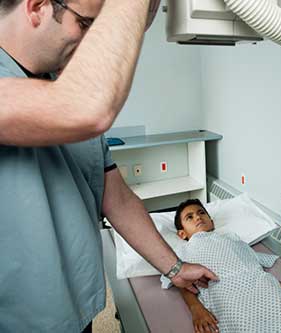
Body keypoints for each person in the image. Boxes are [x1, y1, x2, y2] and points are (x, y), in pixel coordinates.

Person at [0, 1, 217, 332]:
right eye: (86, 24)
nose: (92, 41)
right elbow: (88, 108)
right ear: (38, 7)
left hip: (74, 310)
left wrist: (174, 268)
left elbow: (117, 199)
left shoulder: (58, 82)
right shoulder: (68, 100)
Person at [164, 199, 281, 333]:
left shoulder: (232, 238)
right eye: (189, 217)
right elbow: (181, 280)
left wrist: (274, 282)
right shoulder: (183, 250)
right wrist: (195, 308)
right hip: (224, 291)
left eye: (201, 213)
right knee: (244, 325)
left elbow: (250, 261)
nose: (197, 217)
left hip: (260, 285)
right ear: (182, 234)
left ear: (212, 221)